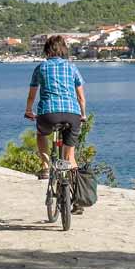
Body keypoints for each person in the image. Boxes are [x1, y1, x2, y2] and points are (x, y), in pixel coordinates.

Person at [24, 35, 87, 180]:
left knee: (41, 134)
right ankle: (76, 193)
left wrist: (28, 110)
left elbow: (31, 96)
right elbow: (81, 98)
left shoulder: (40, 68)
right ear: (64, 50)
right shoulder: (72, 67)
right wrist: (82, 115)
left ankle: (46, 167)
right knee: (70, 156)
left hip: (48, 114)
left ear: (46, 50)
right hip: (72, 114)